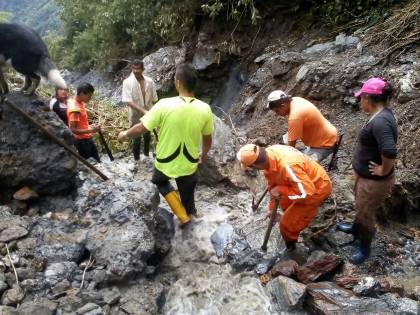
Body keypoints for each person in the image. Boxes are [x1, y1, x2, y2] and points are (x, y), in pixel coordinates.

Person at [118, 63, 213, 228]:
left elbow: (141, 128)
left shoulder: (163, 105)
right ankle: (191, 216)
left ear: (177, 83)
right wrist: (202, 156)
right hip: (190, 161)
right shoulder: (204, 109)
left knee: (159, 181)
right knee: (188, 194)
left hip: (165, 161)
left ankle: (183, 217)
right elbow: (207, 139)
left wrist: (125, 134)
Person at [336, 78, 397, 264]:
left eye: (361, 97)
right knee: (361, 208)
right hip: (365, 177)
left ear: (369, 98)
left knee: (367, 214)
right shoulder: (381, 115)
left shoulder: (381, 122)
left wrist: (382, 169)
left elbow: (389, 150)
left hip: (374, 182)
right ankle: (355, 228)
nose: (360, 101)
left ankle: (364, 248)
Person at [237, 144, 332, 250]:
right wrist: (272, 208)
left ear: (256, 165)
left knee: (286, 225)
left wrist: (281, 190)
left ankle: (291, 246)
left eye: (251, 167)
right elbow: (273, 186)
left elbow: (306, 193)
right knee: (284, 204)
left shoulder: (287, 166)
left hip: (316, 189)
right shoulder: (270, 154)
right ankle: (294, 216)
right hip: (299, 183)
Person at [267, 90, 338, 162]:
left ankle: (309, 154)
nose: (277, 114)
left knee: (302, 164)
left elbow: (290, 148)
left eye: (277, 111)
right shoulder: (296, 99)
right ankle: (305, 150)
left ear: (283, 106)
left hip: (325, 144)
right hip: (328, 133)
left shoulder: (295, 117)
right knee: (287, 138)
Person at [122, 59, 158, 160]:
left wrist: (156, 112)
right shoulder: (127, 82)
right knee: (136, 137)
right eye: (134, 68)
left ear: (143, 69)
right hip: (135, 115)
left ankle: (147, 155)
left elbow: (154, 99)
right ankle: (136, 160)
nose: (136, 71)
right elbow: (128, 101)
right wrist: (143, 111)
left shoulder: (150, 82)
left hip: (148, 112)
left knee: (147, 135)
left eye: (138, 68)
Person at [67, 82, 101, 162]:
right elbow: (72, 129)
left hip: (86, 138)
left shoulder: (75, 100)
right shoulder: (75, 110)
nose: (90, 98)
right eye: (89, 96)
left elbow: (80, 121)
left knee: (97, 162)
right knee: (92, 165)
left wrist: (90, 126)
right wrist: (91, 130)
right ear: (82, 93)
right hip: (82, 142)